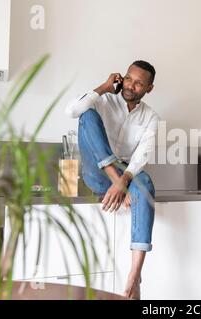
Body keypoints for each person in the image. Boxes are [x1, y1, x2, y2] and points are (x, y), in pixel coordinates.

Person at [65, 60, 160, 300]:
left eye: (139, 83)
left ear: (149, 89)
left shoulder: (150, 117)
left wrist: (124, 179)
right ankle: (118, 180)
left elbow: (142, 154)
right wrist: (104, 86)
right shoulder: (104, 99)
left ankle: (135, 275)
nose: (130, 85)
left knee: (146, 185)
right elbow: (72, 112)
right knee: (87, 116)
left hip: (124, 173)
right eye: (128, 78)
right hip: (95, 173)